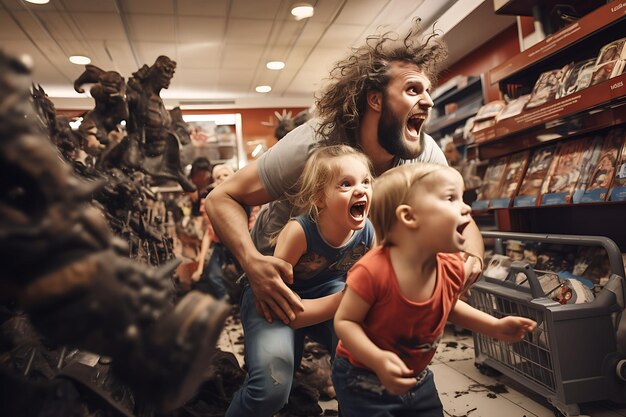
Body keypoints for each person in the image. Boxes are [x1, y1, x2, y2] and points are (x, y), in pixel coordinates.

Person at [206, 19, 485, 416]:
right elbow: (222, 197)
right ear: (375, 100)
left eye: (428, 91)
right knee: (271, 385)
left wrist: (472, 258)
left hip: (344, 282)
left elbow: (463, 219)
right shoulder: (315, 143)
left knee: (379, 368)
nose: (427, 101)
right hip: (276, 281)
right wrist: (252, 264)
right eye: (411, 89)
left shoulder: (422, 153)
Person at [332, 163, 537, 416]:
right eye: (451, 198)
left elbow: (447, 305)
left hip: (418, 377)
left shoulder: (450, 266)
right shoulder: (373, 271)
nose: (466, 208)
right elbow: (345, 321)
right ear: (409, 217)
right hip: (363, 378)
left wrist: (494, 327)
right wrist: (377, 359)